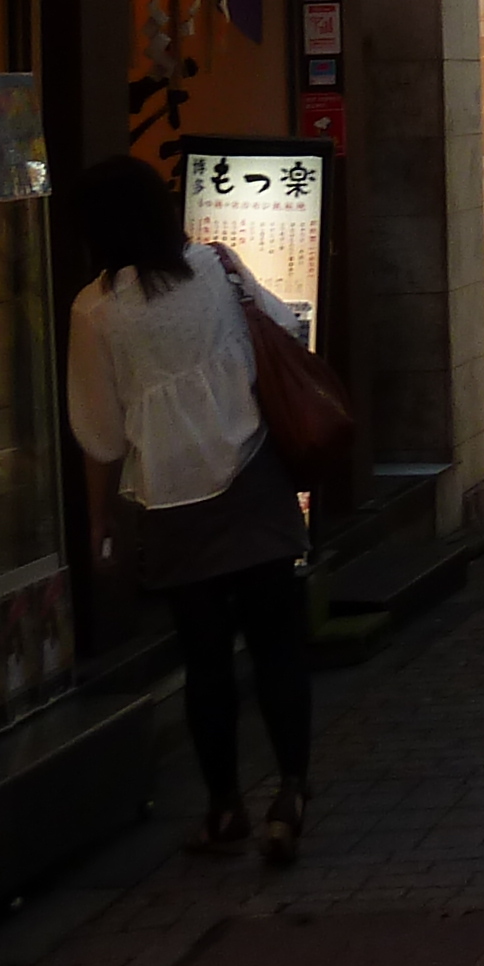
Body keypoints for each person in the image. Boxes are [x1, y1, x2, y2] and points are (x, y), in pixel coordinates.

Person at [64, 155, 320, 866]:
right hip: (254, 476)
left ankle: (224, 808)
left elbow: (100, 430)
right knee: (278, 648)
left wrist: (99, 519)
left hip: (172, 500)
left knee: (206, 662)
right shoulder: (218, 266)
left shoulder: (97, 311)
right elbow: (285, 331)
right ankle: (292, 791)